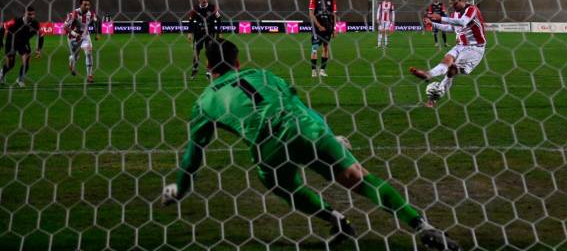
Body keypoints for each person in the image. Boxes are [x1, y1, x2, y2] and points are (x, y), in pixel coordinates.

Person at [162, 40, 462, 251]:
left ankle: (334, 219)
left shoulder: (204, 102)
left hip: (269, 147)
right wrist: (330, 135)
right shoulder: (262, 74)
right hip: (307, 128)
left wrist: (180, 189)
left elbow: (193, 157)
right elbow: (299, 105)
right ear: (238, 62)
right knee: (359, 178)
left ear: (208, 66)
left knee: (279, 184)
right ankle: (422, 226)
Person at [410, 0, 486, 107]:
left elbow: (462, 22)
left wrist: (440, 18)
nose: (453, 6)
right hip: (461, 45)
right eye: (450, 4)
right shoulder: (454, 14)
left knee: (452, 70)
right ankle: (428, 75)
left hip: (475, 49)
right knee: (447, 61)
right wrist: (433, 24)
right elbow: (451, 28)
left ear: (462, 0)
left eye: (455, 3)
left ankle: (433, 98)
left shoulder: (472, 9)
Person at [0, 7, 45, 87]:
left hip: (23, 43)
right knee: (10, 64)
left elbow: (41, 35)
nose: (32, 16)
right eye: (29, 14)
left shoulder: (35, 24)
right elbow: (3, 26)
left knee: (26, 60)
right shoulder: (16, 21)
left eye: (33, 14)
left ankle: (20, 79)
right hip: (11, 42)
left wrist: (39, 49)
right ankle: (2, 73)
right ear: (24, 14)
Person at [187, 0, 221, 80]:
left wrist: (219, 33)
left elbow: (219, 20)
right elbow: (190, 21)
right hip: (198, 33)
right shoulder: (195, 9)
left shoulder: (213, 8)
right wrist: (190, 33)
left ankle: (208, 71)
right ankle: (195, 69)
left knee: (209, 52)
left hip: (210, 33)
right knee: (196, 52)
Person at [65, 0, 98, 83]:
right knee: (75, 56)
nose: (87, 7)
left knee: (89, 52)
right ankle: (71, 61)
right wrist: (75, 35)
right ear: (80, 5)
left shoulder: (91, 14)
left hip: (85, 35)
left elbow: (94, 22)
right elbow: (65, 27)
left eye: (88, 5)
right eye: (85, 5)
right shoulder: (74, 14)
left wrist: (97, 34)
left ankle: (89, 75)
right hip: (73, 37)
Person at [309, 0, 336, 77]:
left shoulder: (332, 0)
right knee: (315, 48)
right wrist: (319, 26)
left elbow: (333, 15)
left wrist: (334, 29)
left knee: (325, 48)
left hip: (328, 28)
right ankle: (313, 71)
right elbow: (311, 13)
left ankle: (322, 70)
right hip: (317, 29)